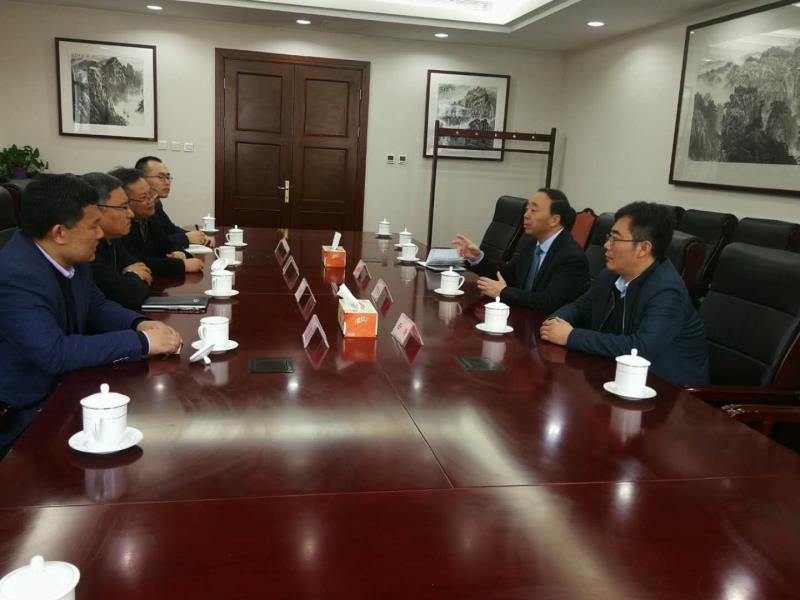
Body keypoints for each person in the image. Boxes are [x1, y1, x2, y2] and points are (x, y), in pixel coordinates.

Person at [0, 174, 183, 456]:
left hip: (70, 386)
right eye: (93, 225)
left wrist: (141, 323)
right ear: (60, 232)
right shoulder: (15, 275)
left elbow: (96, 306)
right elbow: (53, 352)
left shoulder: (71, 254)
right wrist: (142, 342)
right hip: (26, 415)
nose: (100, 234)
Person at [541, 201, 709, 386]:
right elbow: (580, 307)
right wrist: (554, 322)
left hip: (668, 389)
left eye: (615, 239)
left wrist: (571, 336)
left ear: (643, 248)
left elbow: (640, 348)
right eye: (609, 237)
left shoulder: (667, 291)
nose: (606, 245)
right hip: (618, 375)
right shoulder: (610, 275)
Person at [452, 188, 590, 313]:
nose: (526, 215)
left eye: (533, 210)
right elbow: (504, 277)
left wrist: (504, 292)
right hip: (522, 316)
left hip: (547, 325)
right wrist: (477, 258)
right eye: (527, 209)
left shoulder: (571, 257)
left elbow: (550, 301)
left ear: (554, 220)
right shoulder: (532, 244)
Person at [113, 168, 204, 276]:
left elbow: (165, 244)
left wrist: (180, 254)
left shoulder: (151, 216)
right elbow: (138, 262)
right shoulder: (121, 226)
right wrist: (181, 265)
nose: (151, 200)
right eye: (144, 198)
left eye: (151, 194)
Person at [83, 172, 152, 310]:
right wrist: (132, 274)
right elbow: (130, 295)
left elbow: (143, 270)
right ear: (95, 210)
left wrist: (128, 277)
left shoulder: (113, 239)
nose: (131, 214)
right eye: (123, 207)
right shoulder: (88, 249)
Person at [135, 156, 212, 249]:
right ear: (141, 179)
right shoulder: (136, 206)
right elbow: (155, 245)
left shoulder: (156, 203)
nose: (167, 182)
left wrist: (200, 236)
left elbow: (170, 229)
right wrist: (186, 238)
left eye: (168, 177)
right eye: (160, 177)